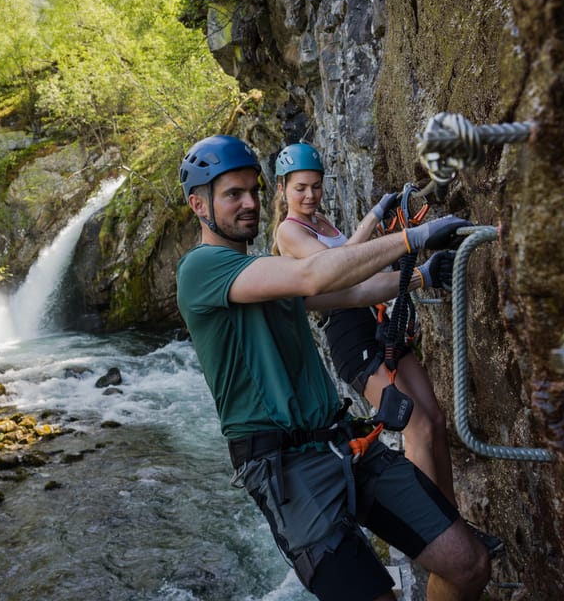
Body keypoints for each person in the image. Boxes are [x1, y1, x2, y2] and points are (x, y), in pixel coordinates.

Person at [176, 134, 490, 601]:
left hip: (343, 441)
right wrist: (414, 237)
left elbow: (351, 292)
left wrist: (422, 272)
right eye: (232, 194)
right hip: (286, 471)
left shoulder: (263, 272)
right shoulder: (201, 269)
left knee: (469, 563)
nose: (249, 203)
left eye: (253, 191)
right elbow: (313, 273)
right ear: (199, 206)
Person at [270, 142, 504, 560]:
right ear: (283, 188)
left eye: (317, 187)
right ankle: (436, 534)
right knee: (416, 428)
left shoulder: (317, 219)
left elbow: (350, 257)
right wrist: (416, 269)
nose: (309, 196)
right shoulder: (289, 231)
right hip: (349, 334)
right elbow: (339, 275)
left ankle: (456, 524)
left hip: (376, 323)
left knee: (434, 416)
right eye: (301, 188)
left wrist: (377, 215)